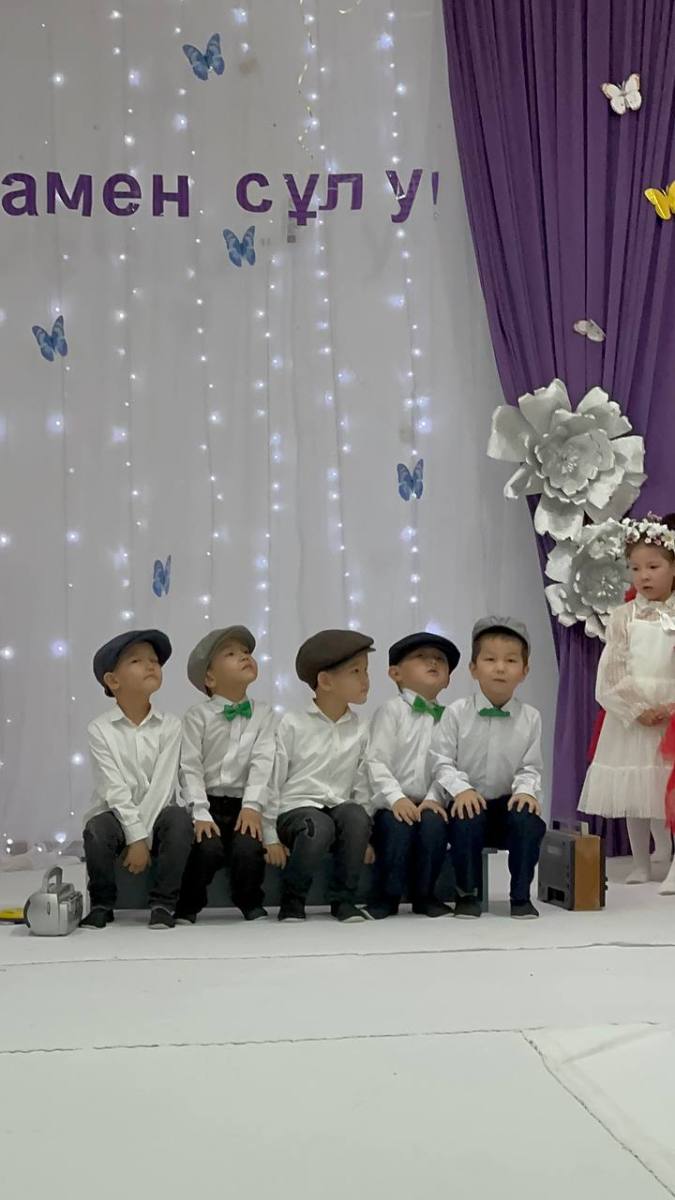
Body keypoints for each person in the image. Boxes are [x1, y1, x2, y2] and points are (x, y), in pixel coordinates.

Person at [579, 514, 675, 891]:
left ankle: (669, 858)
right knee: (636, 791)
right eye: (635, 568)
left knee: (666, 789)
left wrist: (669, 707)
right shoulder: (623, 616)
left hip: (670, 714)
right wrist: (637, 708)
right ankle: (640, 862)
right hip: (634, 719)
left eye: (653, 567)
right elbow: (612, 671)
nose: (643, 576)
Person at [430, 617, 546, 919]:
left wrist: (526, 792)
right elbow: (442, 761)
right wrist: (461, 790)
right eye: (490, 659)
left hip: (505, 805)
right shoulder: (456, 712)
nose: (500, 668)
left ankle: (520, 896)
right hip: (470, 801)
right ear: (473, 668)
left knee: (529, 820)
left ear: (525, 671)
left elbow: (530, 767)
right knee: (466, 815)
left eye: (511, 660)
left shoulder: (531, 717)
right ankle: (466, 894)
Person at [81, 630, 193, 930]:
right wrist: (134, 835)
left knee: (180, 821)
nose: (150, 665)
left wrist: (141, 839)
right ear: (113, 680)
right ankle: (102, 903)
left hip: (158, 811)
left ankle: (164, 903)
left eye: (154, 660)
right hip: (117, 813)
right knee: (97, 830)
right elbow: (113, 788)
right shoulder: (99, 729)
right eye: (136, 661)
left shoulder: (171, 725)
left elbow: (163, 786)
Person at [264, 629, 374, 923]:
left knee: (356, 815)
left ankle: (344, 900)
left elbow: (362, 783)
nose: (365, 679)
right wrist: (269, 834)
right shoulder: (292, 724)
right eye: (355, 671)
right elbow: (272, 781)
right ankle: (292, 900)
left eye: (366, 671)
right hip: (296, 810)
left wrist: (365, 836)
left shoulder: (361, 728)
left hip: (337, 807)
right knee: (317, 826)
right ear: (325, 681)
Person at [175, 625, 277, 922]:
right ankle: (188, 903)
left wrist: (252, 806)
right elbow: (190, 766)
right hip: (207, 803)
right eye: (231, 654)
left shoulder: (264, 714)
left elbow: (263, 762)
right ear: (210, 678)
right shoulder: (197, 716)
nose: (244, 656)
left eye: (246, 652)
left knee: (248, 848)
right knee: (206, 849)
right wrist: (200, 812)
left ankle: (249, 899)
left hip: (243, 804)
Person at [363, 632, 460, 918]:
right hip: (392, 802)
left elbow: (449, 764)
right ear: (395, 673)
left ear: (448, 679)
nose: (433, 662)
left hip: (431, 800)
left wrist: (433, 798)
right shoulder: (390, 711)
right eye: (421, 657)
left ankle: (425, 895)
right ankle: (386, 897)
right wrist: (396, 798)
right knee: (396, 828)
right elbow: (376, 761)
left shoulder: (451, 719)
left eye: (440, 659)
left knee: (434, 827)